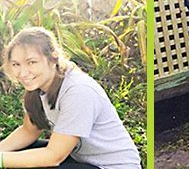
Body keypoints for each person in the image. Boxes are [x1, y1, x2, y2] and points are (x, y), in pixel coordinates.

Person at [0, 27, 141, 168]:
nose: (23, 73)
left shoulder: (78, 91)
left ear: (53, 58)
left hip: (112, 167)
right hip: (83, 162)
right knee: (19, 152)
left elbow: (54, 157)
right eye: (16, 64)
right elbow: (28, 131)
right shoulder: (38, 88)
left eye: (31, 62)